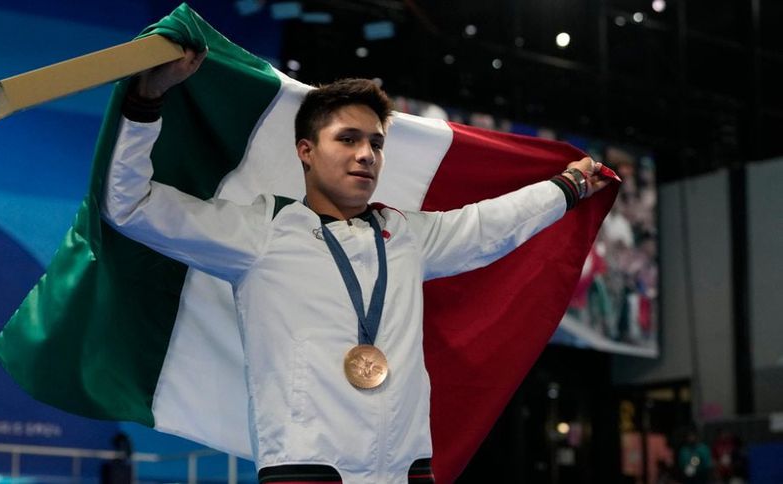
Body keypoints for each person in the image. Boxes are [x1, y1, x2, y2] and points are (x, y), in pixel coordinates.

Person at [101, 46, 611, 484]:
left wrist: (566, 187)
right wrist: (147, 99)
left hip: (407, 469)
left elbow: (490, 224)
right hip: (307, 468)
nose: (366, 154)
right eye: (348, 139)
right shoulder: (262, 231)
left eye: (375, 143)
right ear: (306, 151)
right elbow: (130, 204)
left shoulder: (406, 235)